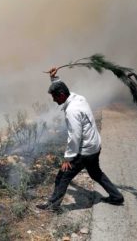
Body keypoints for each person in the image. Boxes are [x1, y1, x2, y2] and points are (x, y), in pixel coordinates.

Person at [36, 67, 124, 211]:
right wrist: (55, 79)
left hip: (85, 150)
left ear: (62, 95)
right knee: (96, 173)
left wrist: (68, 158)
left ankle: (52, 206)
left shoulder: (72, 111)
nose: (53, 100)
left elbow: (75, 136)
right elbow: (64, 88)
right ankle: (116, 196)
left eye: (55, 97)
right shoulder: (78, 97)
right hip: (95, 145)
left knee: (62, 176)